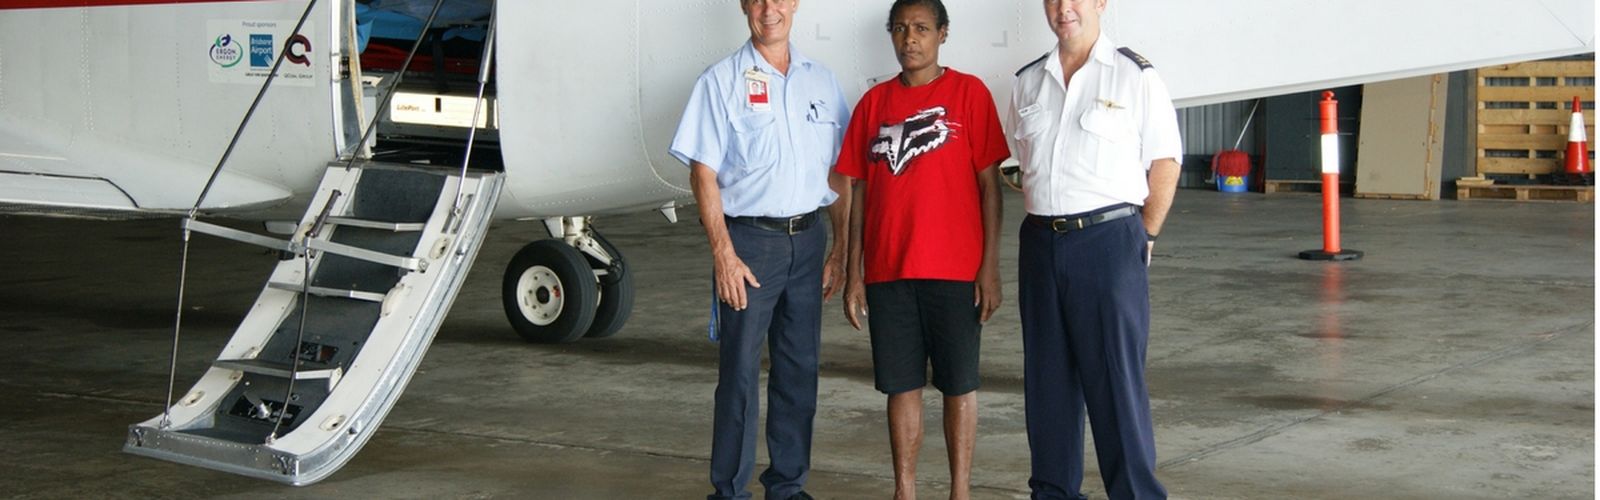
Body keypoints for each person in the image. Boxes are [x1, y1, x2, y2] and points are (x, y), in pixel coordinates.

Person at [667, 0, 851, 499]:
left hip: (808, 242)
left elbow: (839, 173)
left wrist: (840, 249)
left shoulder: (821, 82)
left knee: (799, 370)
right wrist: (723, 255)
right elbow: (702, 173)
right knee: (740, 376)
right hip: (749, 245)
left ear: (795, 4)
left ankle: (787, 486)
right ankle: (729, 490)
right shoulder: (721, 81)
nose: (770, 9)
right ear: (745, 6)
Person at [1005, 0, 1182, 498]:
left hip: (1107, 242)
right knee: (1047, 385)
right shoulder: (1028, 81)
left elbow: (1166, 160)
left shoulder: (1134, 76)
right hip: (1040, 243)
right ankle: (1053, 492)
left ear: (1101, 2)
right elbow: (1019, 163)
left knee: (1115, 384)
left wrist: (1145, 235)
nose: (1064, 9)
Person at [835, 1, 1007, 498]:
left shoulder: (970, 93)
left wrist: (989, 267)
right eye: (900, 29)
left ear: (942, 34)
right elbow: (857, 193)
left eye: (922, 28)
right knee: (900, 385)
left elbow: (990, 187)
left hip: (956, 271)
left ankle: (960, 491)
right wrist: (854, 273)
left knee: (959, 384)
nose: (909, 38)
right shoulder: (873, 104)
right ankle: (904, 490)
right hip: (888, 272)